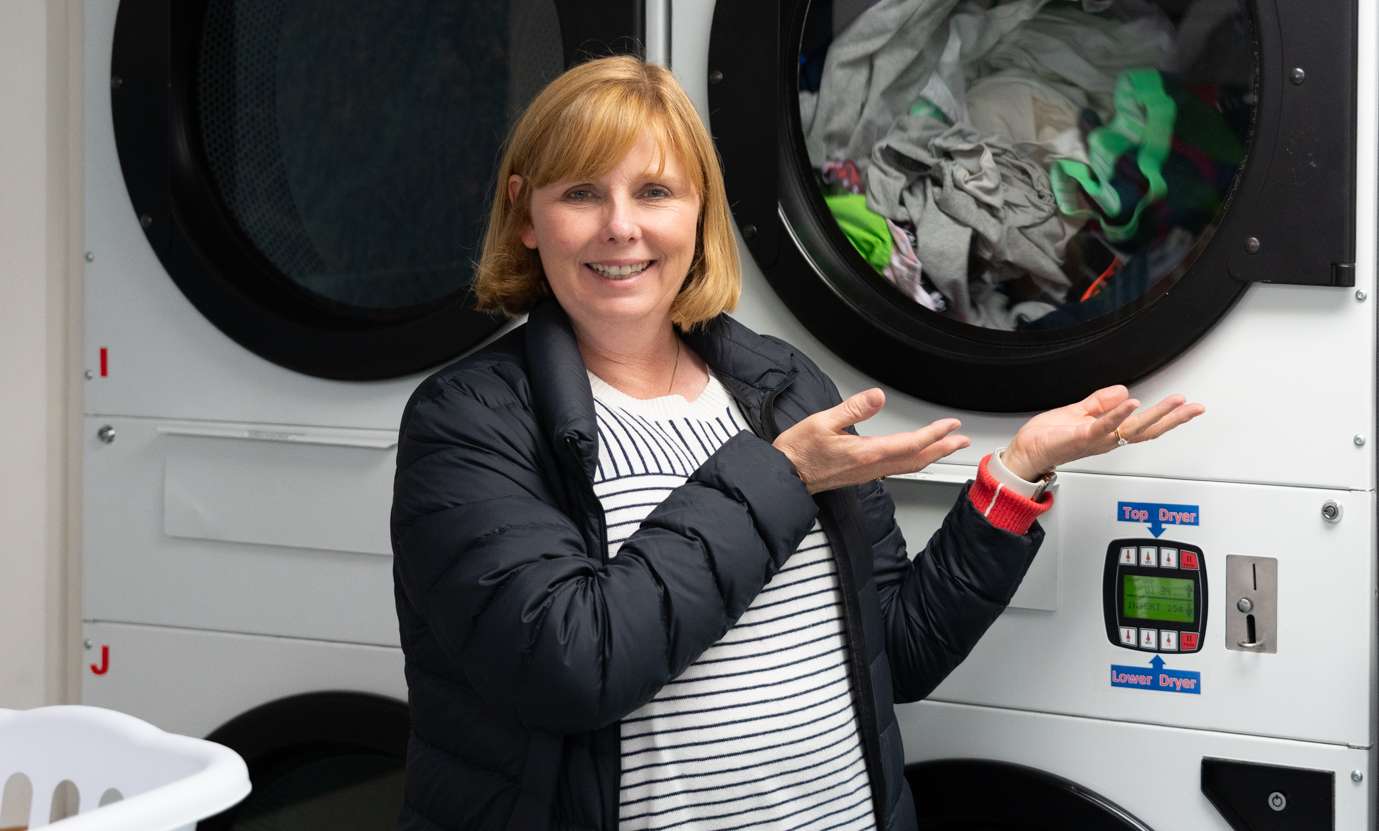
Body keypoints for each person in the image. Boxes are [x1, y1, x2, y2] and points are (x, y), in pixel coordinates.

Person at [390, 57, 1204, 831]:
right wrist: (780, 476)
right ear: (527, 214)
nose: (621, 226)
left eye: (654, 190)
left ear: (699, 209)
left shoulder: (779, 387)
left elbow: (898, 649)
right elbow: (572, 663)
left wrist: (1020, 471)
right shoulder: (470, 419)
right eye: (580, 193)